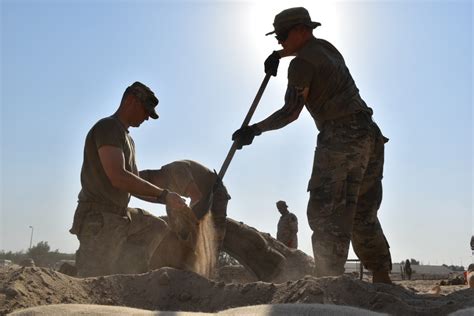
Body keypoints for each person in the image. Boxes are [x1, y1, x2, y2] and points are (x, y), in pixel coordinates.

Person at [232, 7, 392, 283]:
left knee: (326, 209)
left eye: (281, 36)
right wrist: (278, 56)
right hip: (370, 136)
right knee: (362, 213)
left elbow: (290, 112)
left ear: (299, 31)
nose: (279, 42)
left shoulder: (301, 64)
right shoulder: (327, 48)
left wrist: (253, 130)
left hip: (342, 136)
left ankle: (328, 281)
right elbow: (306, 55)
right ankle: (381, 277)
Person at [70, 81, 187, 277]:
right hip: (99, 216)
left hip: (120, 214)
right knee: (94, 282)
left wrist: (170, 202)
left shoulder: (128, 139)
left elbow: (133, 185)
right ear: (130, 101)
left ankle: (129, 272)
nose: (147, 119)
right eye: (145, 111)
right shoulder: (108, 127)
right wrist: (164, 194)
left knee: (155, 226)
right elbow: (118, 177)